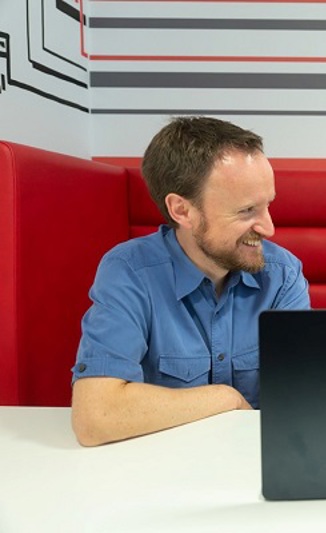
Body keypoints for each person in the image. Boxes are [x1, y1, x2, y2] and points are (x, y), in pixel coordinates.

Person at [71, 116, 310, 446]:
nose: (268, 228)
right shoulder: (129, 272)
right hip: (161, 463)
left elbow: (301, 402)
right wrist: (225, 399)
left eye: (267, 204)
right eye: (246, 211)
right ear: (182, 210)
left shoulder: (282, 275)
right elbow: (95, 417)